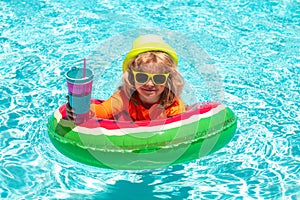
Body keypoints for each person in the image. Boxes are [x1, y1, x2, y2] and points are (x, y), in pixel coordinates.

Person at [67, 34, 186, 121]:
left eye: (159, 79)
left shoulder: (173, 106)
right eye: (142, 77)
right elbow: (103, 111)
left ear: (168, 80)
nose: (150, 84)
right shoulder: (124, 97)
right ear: (132, 78)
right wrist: (81, 109)